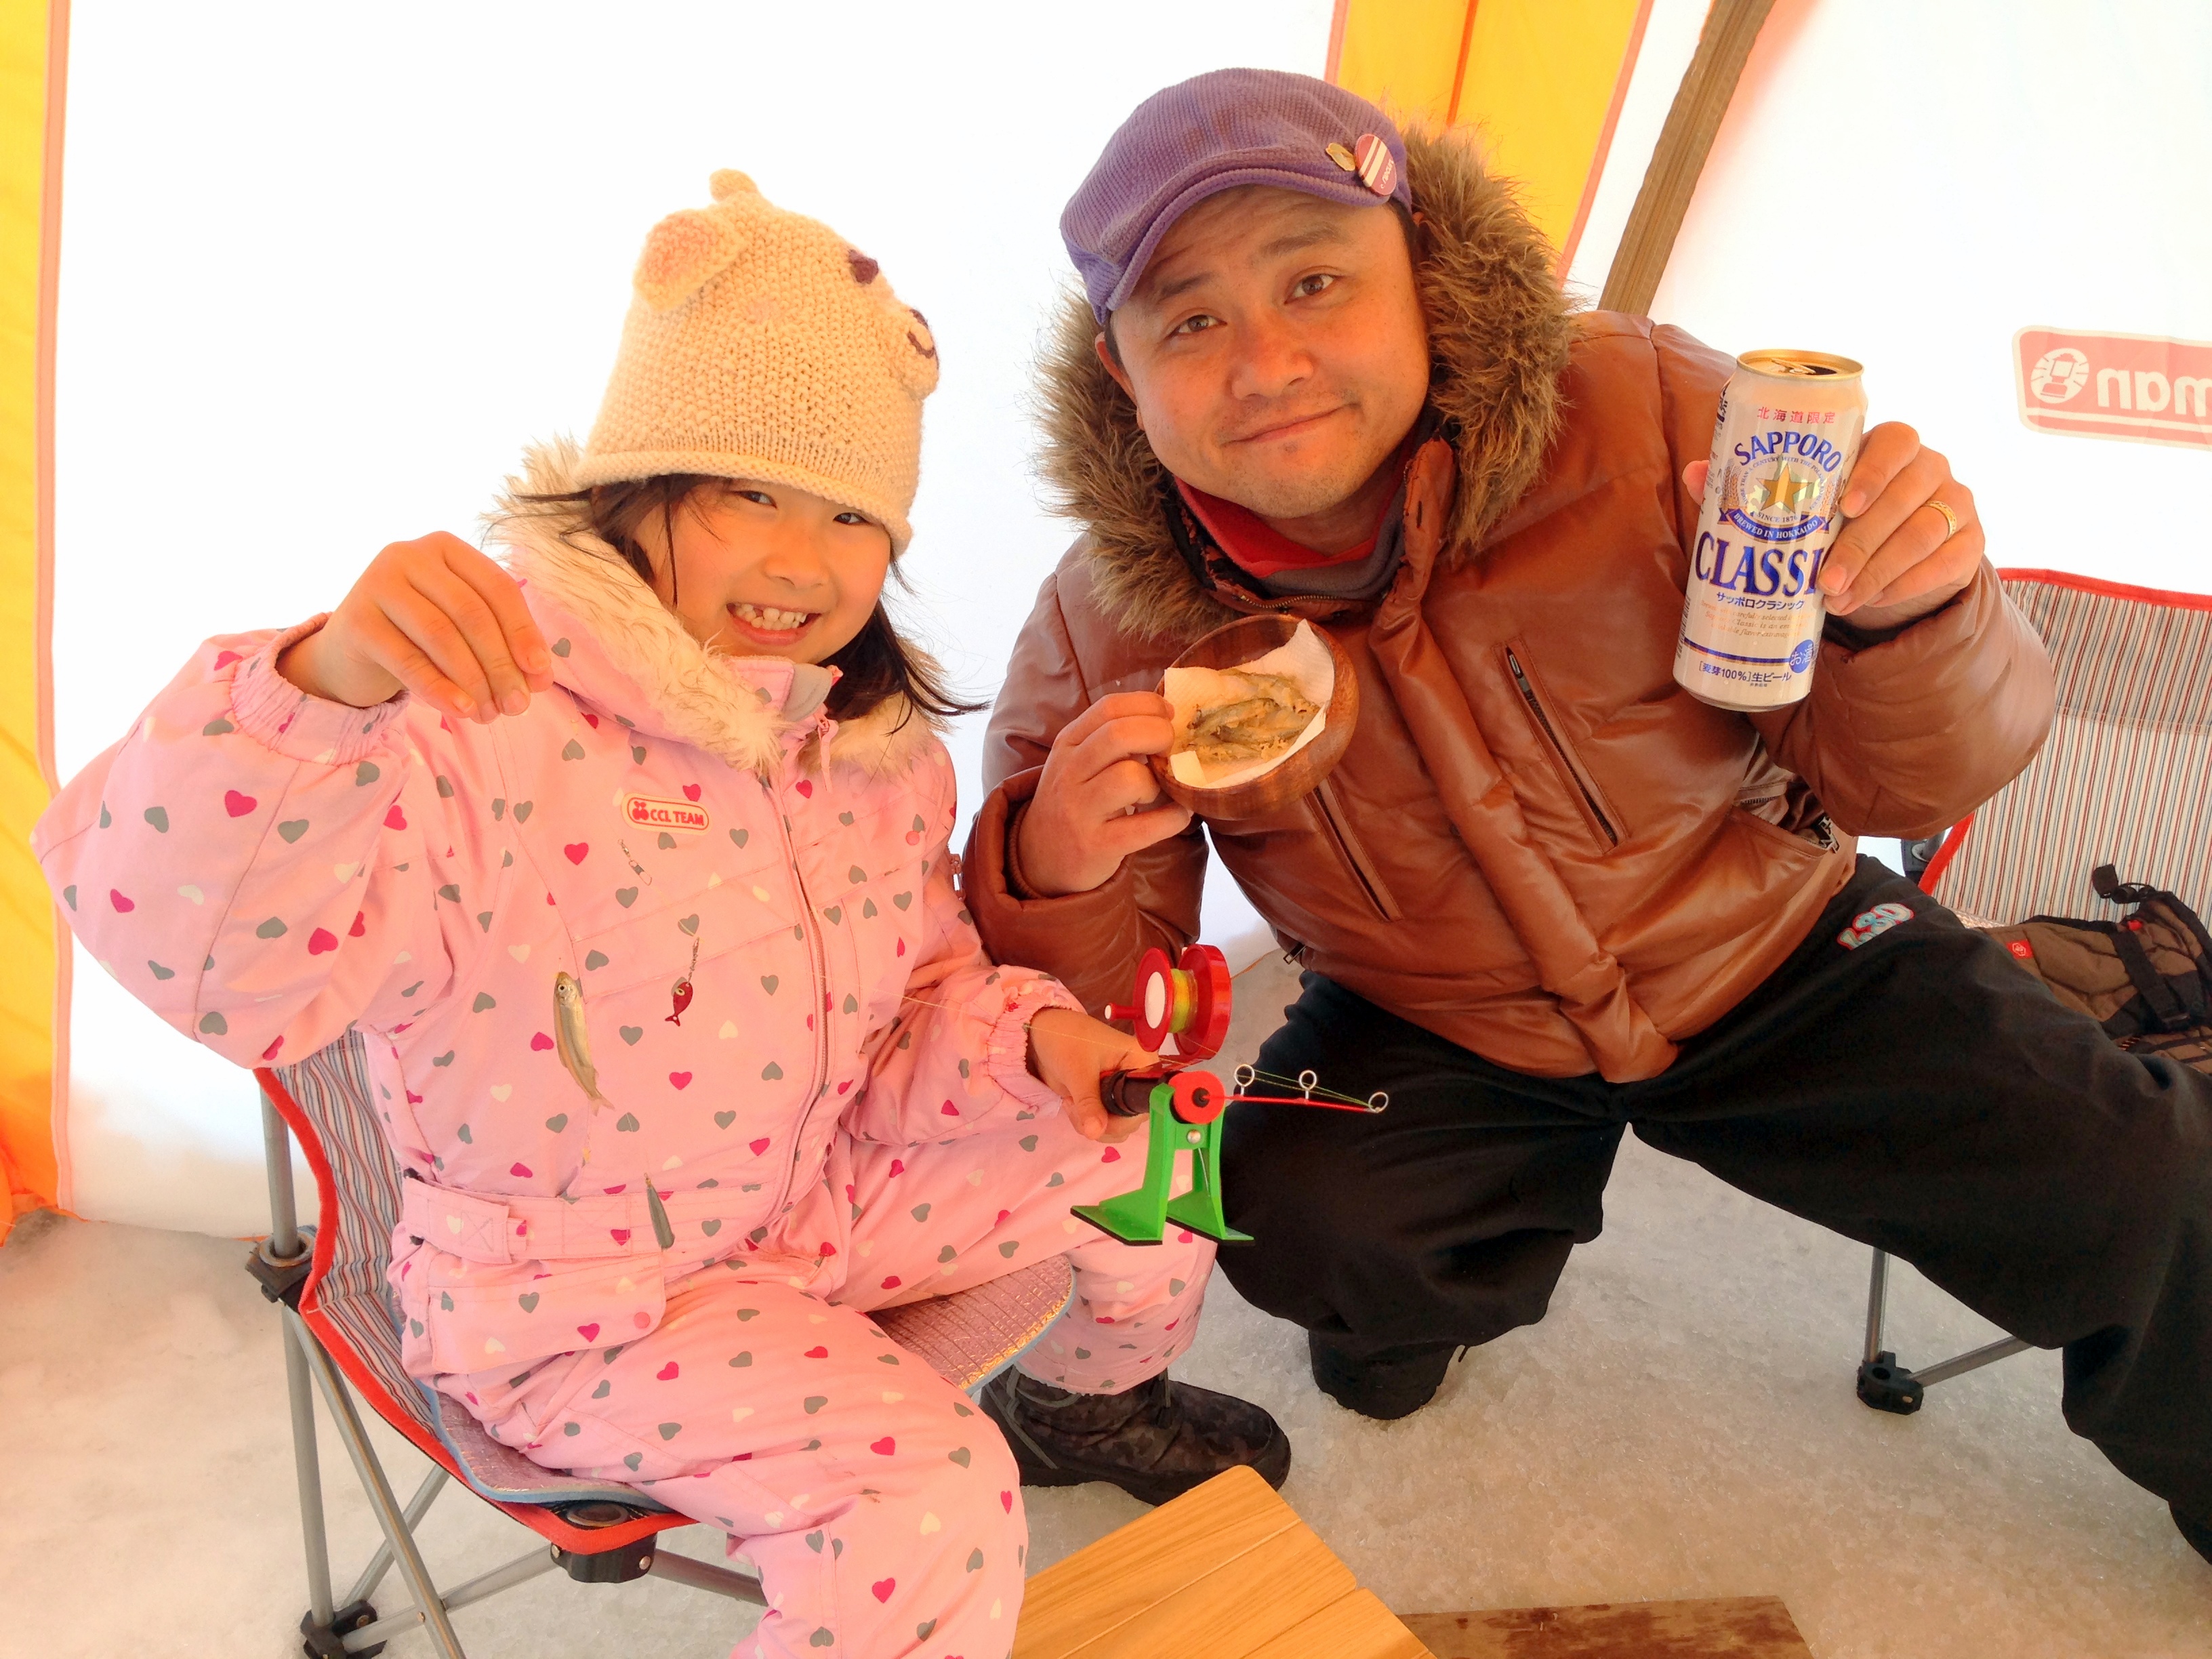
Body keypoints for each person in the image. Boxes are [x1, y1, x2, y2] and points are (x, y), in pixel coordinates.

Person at [962, 69, 2212, 1564]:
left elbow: (1910, 783)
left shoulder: (1655, 408)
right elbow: (1112, 1014)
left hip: (1778, 942)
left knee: (2149, 1184)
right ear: (1126, 377)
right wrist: (1052, 865)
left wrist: (1917, 614)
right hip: (1427, 1011)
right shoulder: (1105, 618)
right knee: (1296, 1206)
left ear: (1423, 282)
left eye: (1315, 280)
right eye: (1193, 319)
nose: (1269, 361)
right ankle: (1400, 1328)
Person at [35, 171, 1289, 1659]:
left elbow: (914, 1005)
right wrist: (319, 691)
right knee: (926, 1503)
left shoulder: (864, 756)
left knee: (1151, 1146)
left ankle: (1086, 1408)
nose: (801, 561)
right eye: (748, 488)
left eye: (848, 513)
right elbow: (194, 950)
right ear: (634, 487)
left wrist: (1039, 1053)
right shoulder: (472, 718)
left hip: (817, 1207)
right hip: (579, 1305)